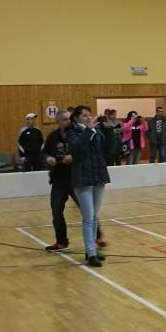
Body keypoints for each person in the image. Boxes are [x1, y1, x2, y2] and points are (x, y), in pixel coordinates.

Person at [43, 109, 105, 255]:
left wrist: (74, 156)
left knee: (89, 212)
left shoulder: (79, 133)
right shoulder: (52, 137)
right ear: (57, 122)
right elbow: (44, 152)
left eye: (69, 119)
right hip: (59, 180)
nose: (67, 121)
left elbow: (86, 149)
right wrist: (47, 158)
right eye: (64, 119)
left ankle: (97, 237)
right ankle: (61, 241)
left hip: (78, 179)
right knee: (56, 212)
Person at [67, 105, 110, 267]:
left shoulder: (95, 131)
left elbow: (108, 149)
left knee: (94, 216)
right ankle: (91, 253)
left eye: (89, 115)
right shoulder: (72, 132)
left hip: (98, 176)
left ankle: (91, 250)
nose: (88, 117)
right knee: (88, 217)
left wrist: (107, 130)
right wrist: (89, 130)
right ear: (76, 118)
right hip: (83, 178)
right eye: (84, 115)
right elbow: (78, 148)